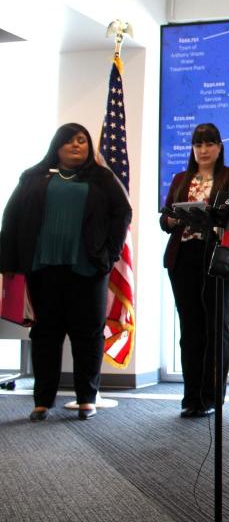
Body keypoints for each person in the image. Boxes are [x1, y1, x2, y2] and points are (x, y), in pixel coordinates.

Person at [0, 123, 131, 421]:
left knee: (87, 334)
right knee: (46, 334)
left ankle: (87, 398)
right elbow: (11, 219)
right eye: (70, 141)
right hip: (43, 269)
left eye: (82, 141)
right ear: (56, 146)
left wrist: (110, 255)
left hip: (87, 269)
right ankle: (42, 400)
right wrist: (8, 264)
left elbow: (122, 213)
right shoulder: (33, 178)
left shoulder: (102, 179)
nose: (76, 146)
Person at [160, 123, 229, 418]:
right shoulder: (181, 178)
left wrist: (212, 217)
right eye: (198, 145)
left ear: (219, 147)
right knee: (190, 329)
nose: (203, 150)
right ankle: (191, 396)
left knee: (215, 326)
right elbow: (166, 218)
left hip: (218, 258)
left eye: (209, 144)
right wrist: (172, 220)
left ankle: (211, 396)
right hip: (183, 258)